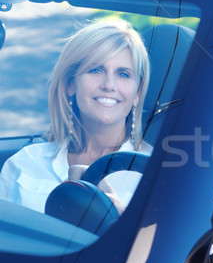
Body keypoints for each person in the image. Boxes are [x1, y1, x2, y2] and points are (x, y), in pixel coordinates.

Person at [0, 18, 151, 213]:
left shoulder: (157, 173)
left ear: (137, 93)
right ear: (71, 84)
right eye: (96, 70)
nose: (109, 85)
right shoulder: (25, 163)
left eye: (123, 74)